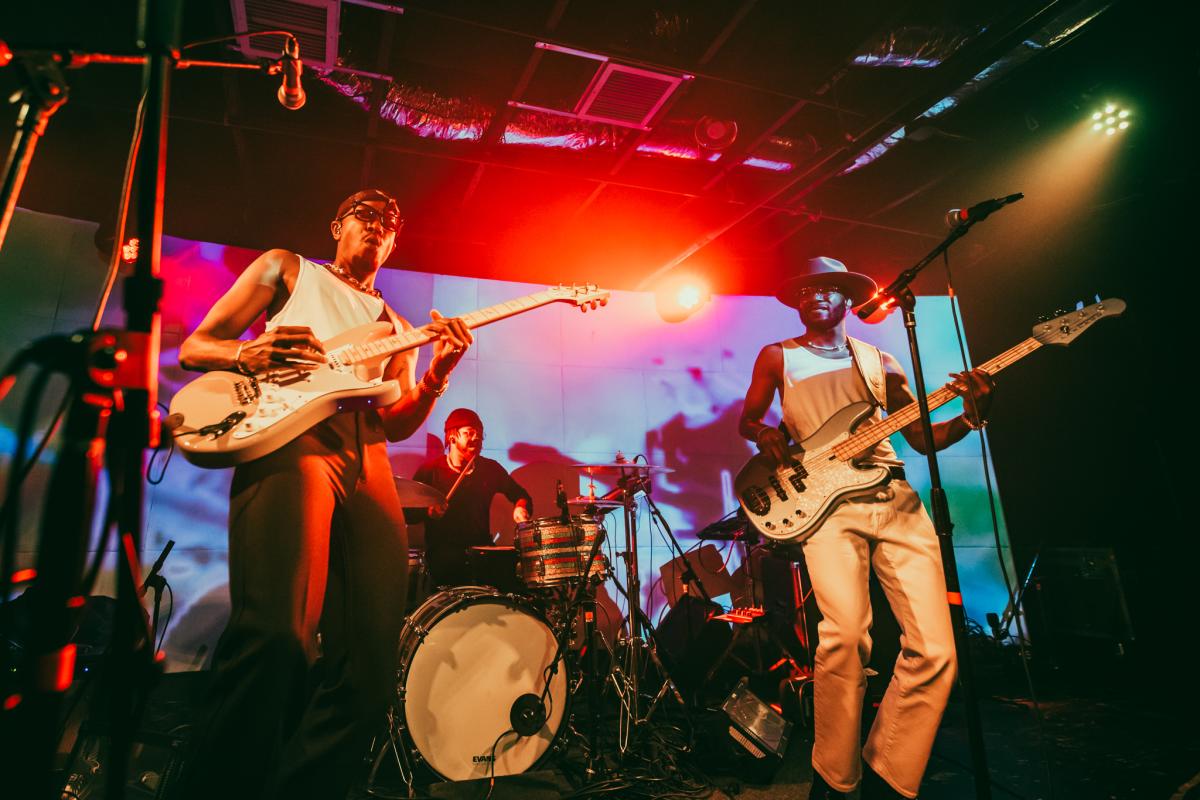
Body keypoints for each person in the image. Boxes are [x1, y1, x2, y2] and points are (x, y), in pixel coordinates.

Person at [177, 189, 473, 799]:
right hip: (293, 437)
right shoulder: (286, 268)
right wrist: (245, 352)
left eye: (391, 221)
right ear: (336, 224)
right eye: (366, 213)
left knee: (370, 665)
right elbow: (194, 347)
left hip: (367, 454)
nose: (379, 225)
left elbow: (395, 420)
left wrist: (439, 372)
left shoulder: (395, 326)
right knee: (278, 638)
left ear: (394, 243)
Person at [738, 257, 994, 800]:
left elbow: (921, 437)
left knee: (936, 651)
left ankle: (888, 774)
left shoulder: (882, 362)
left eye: (827, 289)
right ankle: (833, 778)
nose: (815, 297)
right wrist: (762, 435)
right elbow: (749, 418)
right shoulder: (777, 356)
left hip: (896, 499)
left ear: (847, 300)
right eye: (806, 290)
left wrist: (970, 415)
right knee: (847, 635)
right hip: (827, 510)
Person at [412, 408, 532, 588]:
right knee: (449, 562)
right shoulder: (430, 472)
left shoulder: (490, 469)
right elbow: (407, 513)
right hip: (443, 557)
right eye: (469, 433)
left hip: (481, 552)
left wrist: (520, 508)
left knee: (515, 577)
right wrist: (428, 512)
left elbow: (521, 495)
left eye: (479, 434)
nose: (476, 438)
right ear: (452, 438)